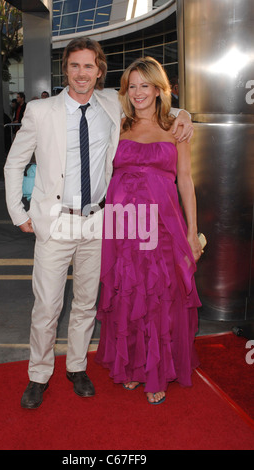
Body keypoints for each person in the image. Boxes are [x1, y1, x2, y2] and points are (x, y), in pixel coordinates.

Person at [4, 37, 193, 410]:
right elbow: (15, 163)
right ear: (66, 70)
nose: (81, 73)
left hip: (101, 223)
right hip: (56, 223)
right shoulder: (40, 111)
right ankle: (38, 376)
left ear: (99, 71)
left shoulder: (111, 103)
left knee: (87, 305)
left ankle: (77, 368)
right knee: (47, 307)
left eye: (89, 66)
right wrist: (19, 212)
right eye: (75, 65)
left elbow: (153, 102)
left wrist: (184, 115)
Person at [95, 57, 202, 405]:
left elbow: (185, 180)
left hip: (163, 225)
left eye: (145, 85)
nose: (138, 92)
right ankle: (131, 366)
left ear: (158, 88)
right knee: (128, 292)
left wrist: (192, 231)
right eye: (132, 86)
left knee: (159, 295)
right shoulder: (116, 124)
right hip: (122, 227)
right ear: (124, 91)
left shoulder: (176, 127)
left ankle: (156, 372)